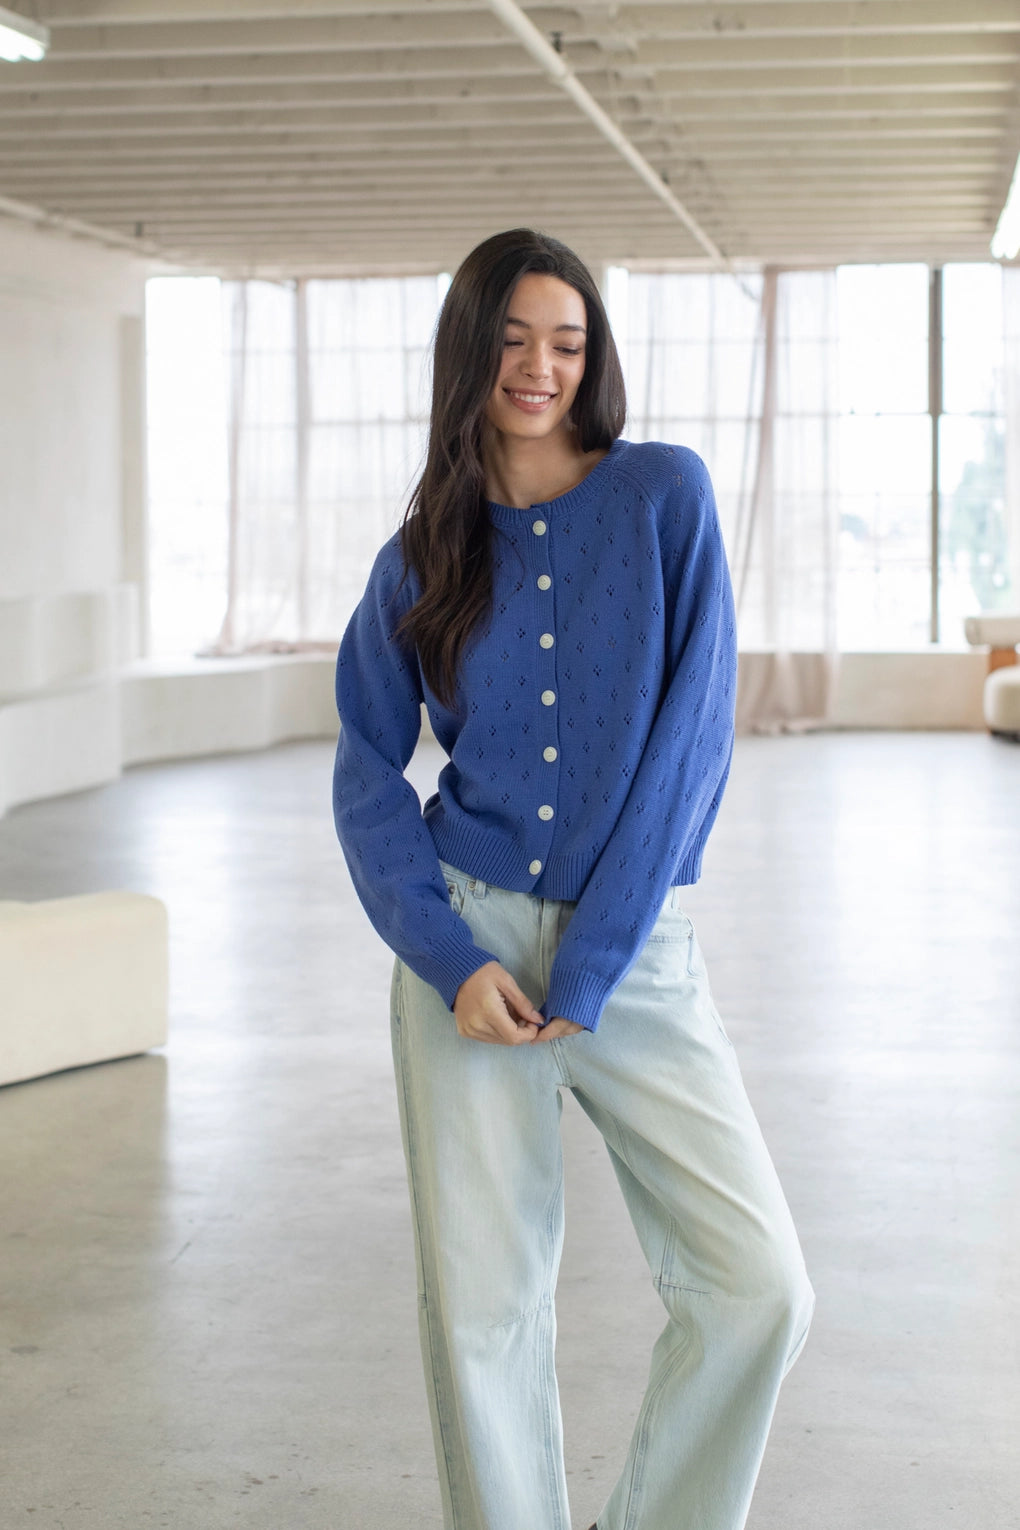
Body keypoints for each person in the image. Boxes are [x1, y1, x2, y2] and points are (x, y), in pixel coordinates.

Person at [333, 228, 813, 1530]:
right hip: (468, 950)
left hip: (635, 950)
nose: (541, 365)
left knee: (759, 1281)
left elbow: (693, 738)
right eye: (512, 338)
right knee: (485, 1311)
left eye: (568, 339)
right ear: (469, 349)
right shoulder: (421, 554)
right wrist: (448, 956)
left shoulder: (665, 496)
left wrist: (594, 961)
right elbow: (367, 772)